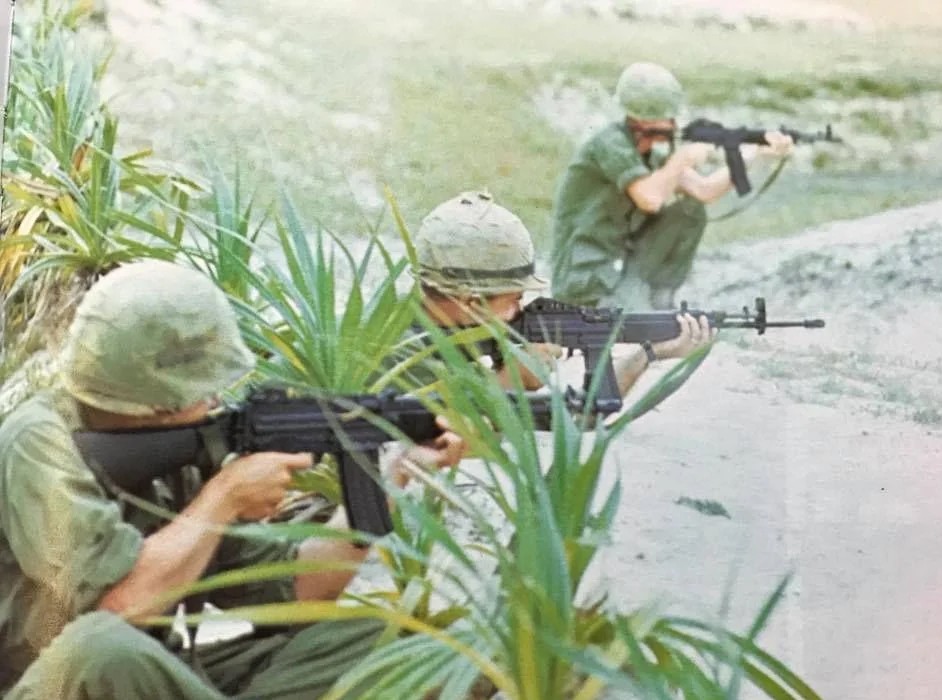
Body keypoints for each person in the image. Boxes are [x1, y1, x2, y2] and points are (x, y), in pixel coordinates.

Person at [0, 260, 464, 699]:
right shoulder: (40, 442)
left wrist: (394, 475)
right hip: (57, 681)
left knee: (379, 639)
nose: (218, 399)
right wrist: (225, 496)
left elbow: (300, 591)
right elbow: (120, 609)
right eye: (204, 389)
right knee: (100, 649)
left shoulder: (180, 447)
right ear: (160, 399)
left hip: (152, 673)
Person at [402, 189, 714, 400]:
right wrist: (514, 380)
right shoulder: (403, 358)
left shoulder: (424, 323)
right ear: (472, 302)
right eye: (513, 300)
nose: (520, 309)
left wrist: (648, 352)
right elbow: (461, 435)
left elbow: (582, 414)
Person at [550, 61, 795, 311]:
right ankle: (639, 312)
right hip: (585, 276)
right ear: (648, 121)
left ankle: (659, 299)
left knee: (689, 210)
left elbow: (704, 190)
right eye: (670, 118)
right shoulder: (610, 143)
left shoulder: (647, 155)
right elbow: (649, 198)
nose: (676, 125)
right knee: (653, 335)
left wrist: (755, 153)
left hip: (618, 272)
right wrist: (684, 158)